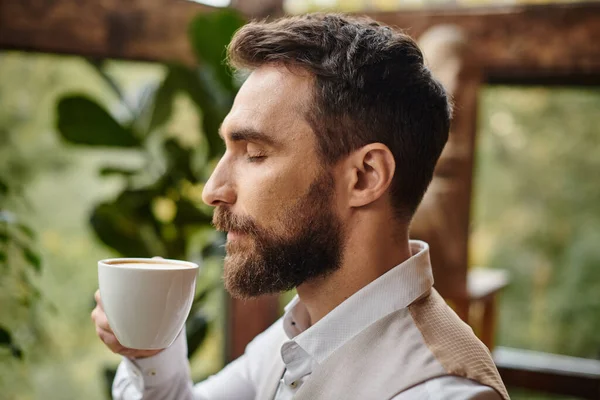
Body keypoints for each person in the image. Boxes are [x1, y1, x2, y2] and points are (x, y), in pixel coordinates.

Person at [91, 13, 509, 400]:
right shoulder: (301, 331)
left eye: (254, 152)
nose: (212, 189)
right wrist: (149, 353)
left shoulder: (439, 392)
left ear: (365, 176)